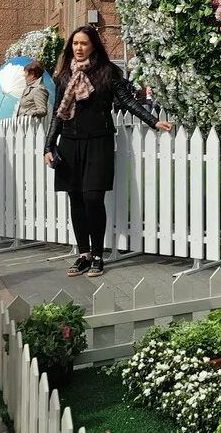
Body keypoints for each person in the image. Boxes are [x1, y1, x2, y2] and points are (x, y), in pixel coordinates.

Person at [43, 26, 172, 278]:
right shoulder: (63, 76)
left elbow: (128, 100)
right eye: (75, 43)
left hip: (98, 141)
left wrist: (152, 121)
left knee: (93, 198)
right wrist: (49, 145)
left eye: (84, 44)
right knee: (76, 199)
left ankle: (98, 255)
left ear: (93, 46)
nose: (79, 48)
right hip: (69, 142)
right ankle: (83, 254)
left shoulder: (107, 72)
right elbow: (58, 112)